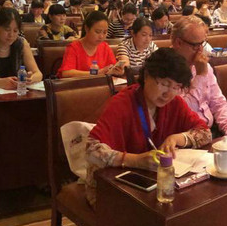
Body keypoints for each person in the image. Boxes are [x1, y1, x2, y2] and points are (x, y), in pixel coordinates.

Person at [84, 48, 211, 206]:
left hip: (153, 184)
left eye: (176, 87)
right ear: (146, 76)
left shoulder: (175, 103)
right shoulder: (122, 104)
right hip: (114, 186)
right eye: (164, 84)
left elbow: (205, 132)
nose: (168, 94)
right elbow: (91, 150)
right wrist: (136, 160)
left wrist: (176, 139)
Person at [171, 16, 227, 137]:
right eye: (195, 45)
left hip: (208, 132)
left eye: (202, 44)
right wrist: (200, 76)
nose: (200, 51)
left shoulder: (202, 65)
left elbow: (218, 103)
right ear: (178, 43)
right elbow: (183, 113)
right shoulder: (164, 69)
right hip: (183, 137)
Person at [58, 11, 125, 78]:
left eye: (105, 32)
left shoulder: (105, 47)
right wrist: (97, 73)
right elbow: (66, 73)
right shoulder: (73, 47)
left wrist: (118, 71)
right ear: (87, 29)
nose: (101, 36)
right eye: (97, 32)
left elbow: (112, 67)